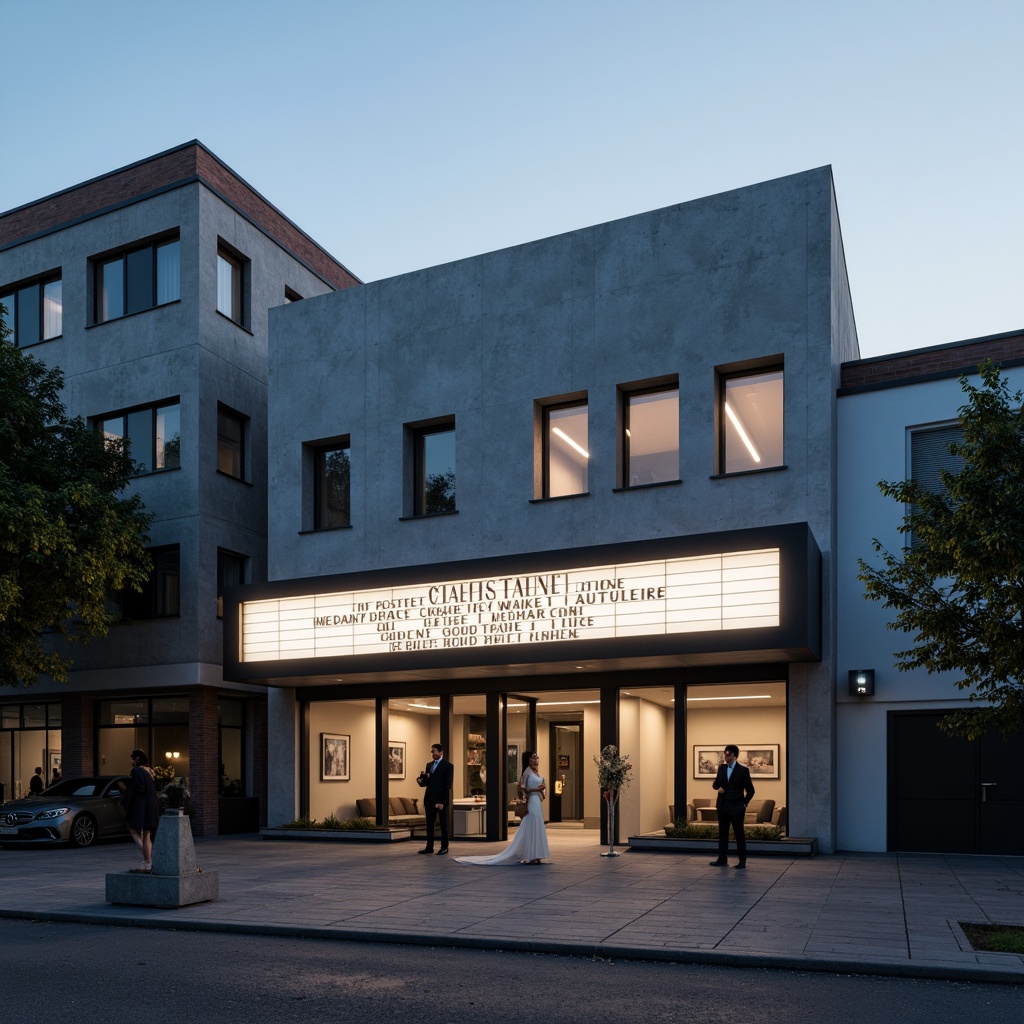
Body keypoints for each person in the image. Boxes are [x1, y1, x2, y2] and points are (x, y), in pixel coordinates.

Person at [456, 750, 549, 866]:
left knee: (537, 824)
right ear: (528, 759)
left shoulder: (536, 773)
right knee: (531, 824)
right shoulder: (526, 772)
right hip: (531, 802)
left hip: (537, 801)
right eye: (534, 757)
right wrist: (536, 789)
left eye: (537, 757)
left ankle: (537, 854)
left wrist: (542, 790)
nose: (536, 760)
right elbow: (522, 790)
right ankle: (530, 854)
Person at [709, 744, 755, 869]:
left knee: (739, 834)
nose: (726, 756)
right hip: (723, 806)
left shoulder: (743, 770)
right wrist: (718, 787)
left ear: (734, 755)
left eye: (728, 754)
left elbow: (751, 791)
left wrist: (743, 804)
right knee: (723, 834)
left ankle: (742, 861)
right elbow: (715, 785)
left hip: (736, 807)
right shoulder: (722, 768)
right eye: (725, 753)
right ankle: (722, 859)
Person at [122, 749, 160, 872]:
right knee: (147, 833)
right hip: (152, 805)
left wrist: (126, 802)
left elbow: (135, 789)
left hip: (141, 806)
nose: (131, 761)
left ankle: (147, 860)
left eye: (132, 758)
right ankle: (148, 860)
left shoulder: (137, 771)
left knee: (133, 829)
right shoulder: (150, 771)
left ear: (137, 759)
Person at [416, 743, 454, 855]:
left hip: (441, 800)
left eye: (435, 751)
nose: (433, 753)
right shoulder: (429, 765)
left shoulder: (448, 766)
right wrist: (421, 780)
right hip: (429, 799)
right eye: (432, 751)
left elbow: (448, 785)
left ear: (441, 752)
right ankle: (429, 847)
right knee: (429, 824)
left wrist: (442, 802)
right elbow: (426, 783)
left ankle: (444, 847)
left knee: (443, 824)